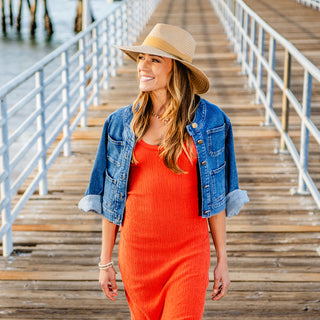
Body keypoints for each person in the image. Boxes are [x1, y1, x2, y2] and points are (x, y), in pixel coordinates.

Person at [78, 23, 249, 319]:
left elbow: (217, 197)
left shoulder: (211, 121)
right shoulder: (119, 124)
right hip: (137, 255)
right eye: (141, 58)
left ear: (176, 70)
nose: (143, 66)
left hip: (188, 255)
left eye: (154, 60)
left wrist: (223, 259)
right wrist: (105, 262)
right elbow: (111, 198)